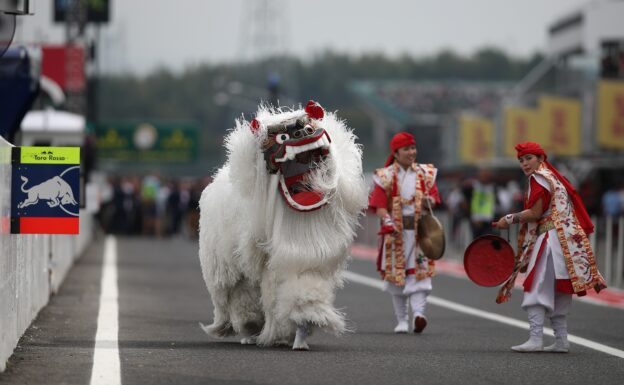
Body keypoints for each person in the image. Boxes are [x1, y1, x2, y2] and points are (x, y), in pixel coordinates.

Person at [495, 142, 607, 353]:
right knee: (559, 290)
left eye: (528, 158)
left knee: (536, 286)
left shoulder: (539, 178)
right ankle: (561, 340)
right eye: (521, 160)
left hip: (550, 239)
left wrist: (509, 219)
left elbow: (536, 213)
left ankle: (536, 338)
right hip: (566, 241)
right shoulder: (554, 178)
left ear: (540, 158)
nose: (524, 163)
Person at [368, 132, 441, 334]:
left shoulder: (426, 173)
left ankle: (419, 314)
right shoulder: (384, 176)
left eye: (413, 148)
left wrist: (430, 202)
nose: (412, 152)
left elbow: (435, 198)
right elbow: (379, 205)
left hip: (420, 233)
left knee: (420, 275)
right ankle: (402, 320)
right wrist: (388, 220)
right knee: (396, 278)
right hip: (395, 234)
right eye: (407, 149)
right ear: (396, 152)